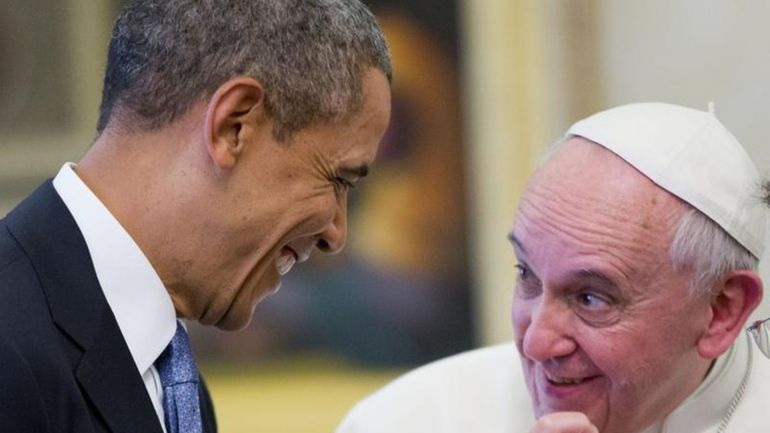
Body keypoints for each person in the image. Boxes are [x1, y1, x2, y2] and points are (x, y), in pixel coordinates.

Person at [0, 0, 392, 432]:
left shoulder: (173, 383)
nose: (336, 233)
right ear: (233, 126)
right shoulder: (10, 344)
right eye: (339, 179)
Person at [336, 102, 770, 433]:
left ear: (722, 310)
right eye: (526, 275)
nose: (536, 343)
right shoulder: (407, 421)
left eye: (591, 298)